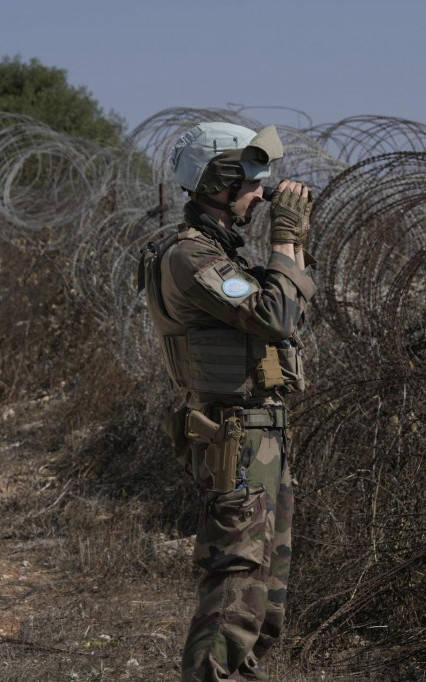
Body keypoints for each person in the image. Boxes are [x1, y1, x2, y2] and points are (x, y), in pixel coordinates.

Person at [139, 122, 317, 681]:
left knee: (265, 604)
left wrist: (289, 251)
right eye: (250, 181)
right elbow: (276, 315)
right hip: (235, 441)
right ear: (217, 179)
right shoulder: (191, 257)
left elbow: (282, 316)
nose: (262, 194)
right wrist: (287, 242)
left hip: (262, 437)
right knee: (235, 590)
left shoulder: (223, 255)